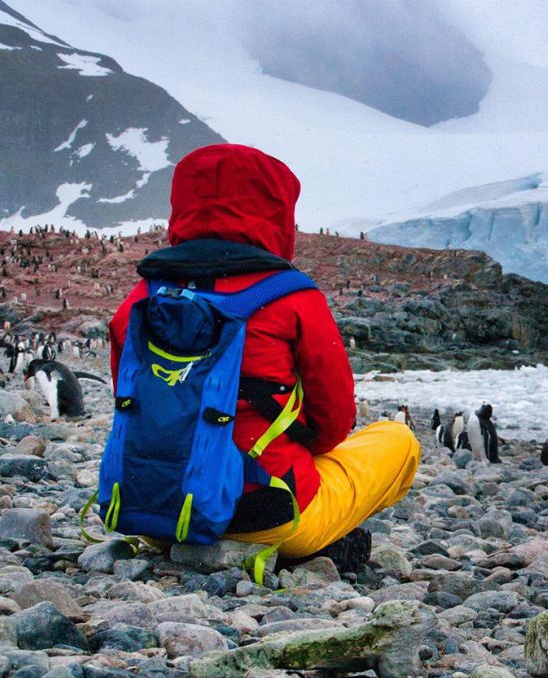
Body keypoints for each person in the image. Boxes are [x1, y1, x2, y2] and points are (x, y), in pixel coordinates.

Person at [108, 143, 419, 570]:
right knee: (398, 440)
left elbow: (131, 404)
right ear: (276, 212)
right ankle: (308, 545)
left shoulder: (138, 302)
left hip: (154, 514)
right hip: (268, 517)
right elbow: (333, 422)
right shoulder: (292, 299)